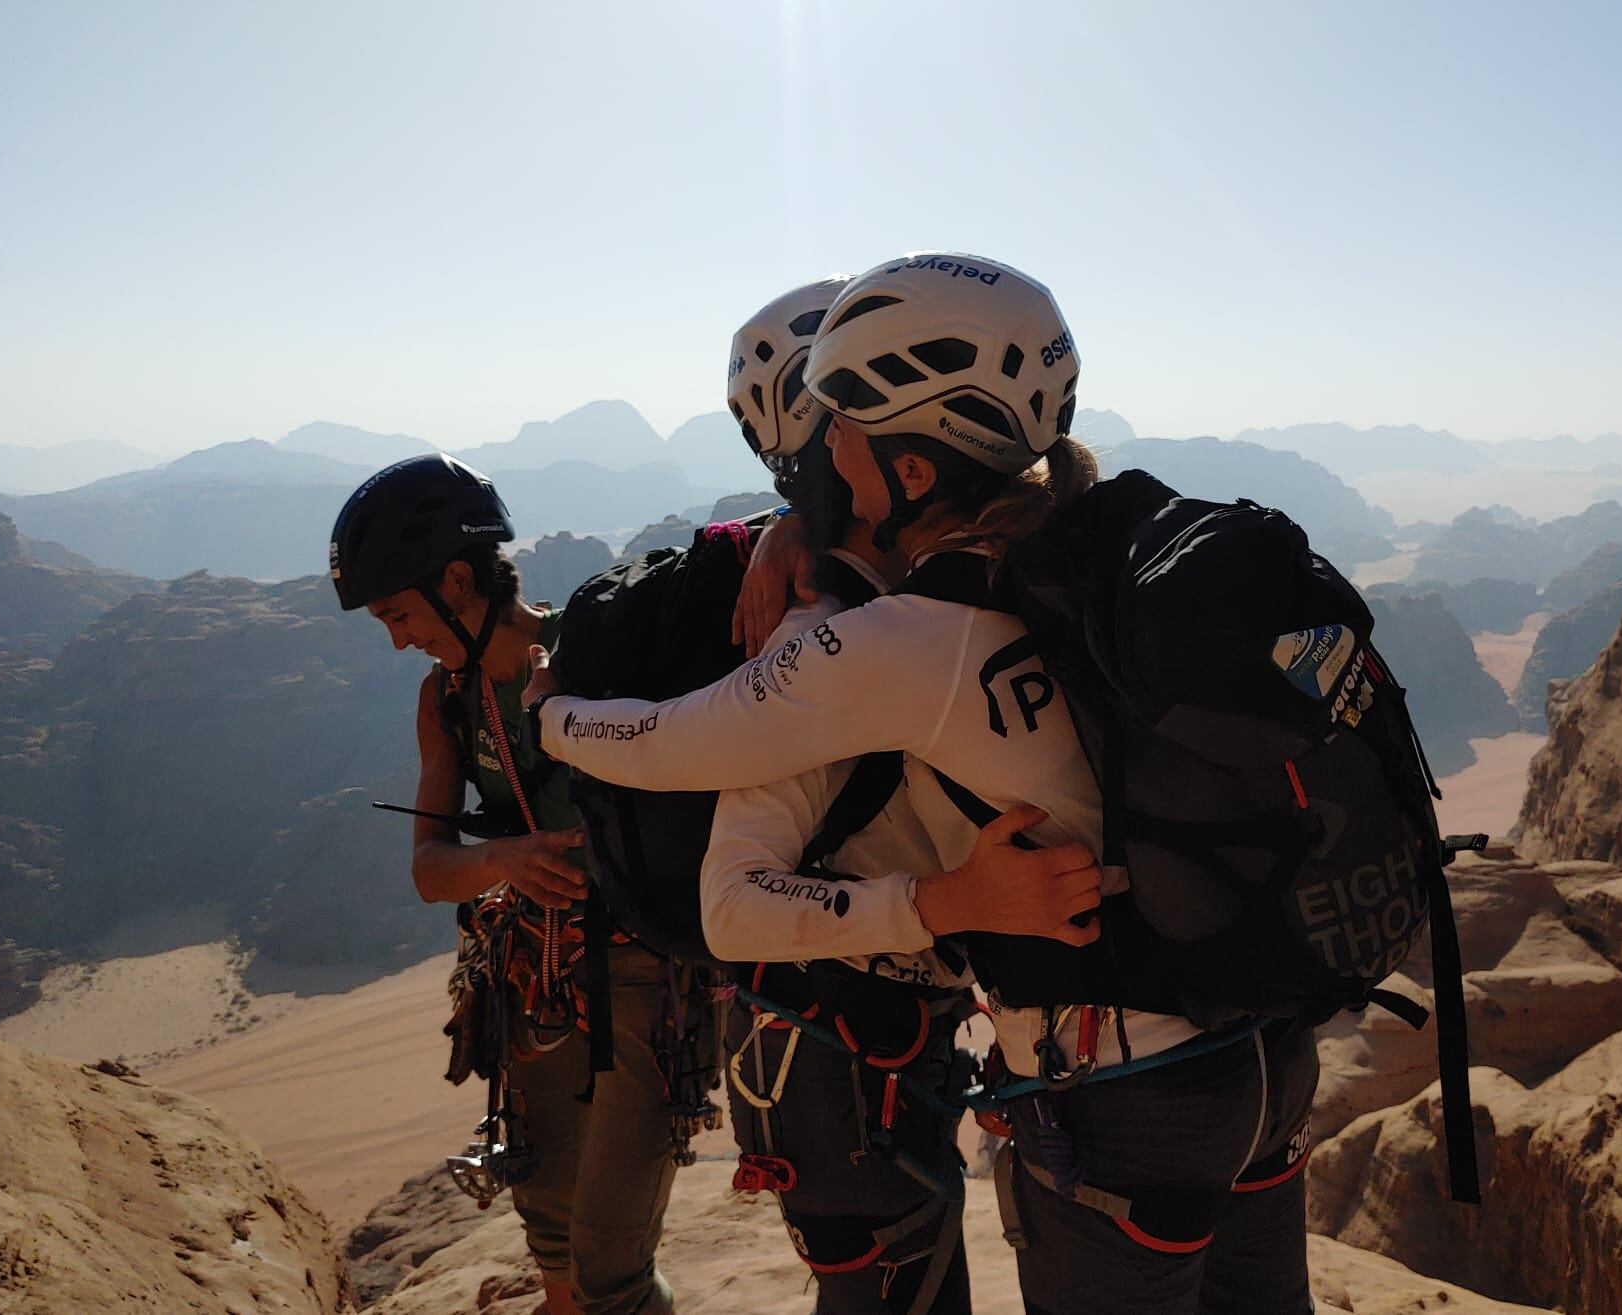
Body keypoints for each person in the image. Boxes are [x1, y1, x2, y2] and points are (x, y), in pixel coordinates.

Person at [521, 254, 1319, 1314]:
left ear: (906, 464)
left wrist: (549, 715)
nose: (827, 443)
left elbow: (682, 764)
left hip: (1126, 1087)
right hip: (1268, 1034)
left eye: (842, 420)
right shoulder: (1089, 541)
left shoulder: (890, 637)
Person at [329, 454, 682, 1315]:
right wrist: (506, 860)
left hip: (641, 982)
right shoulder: (444, 700)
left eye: (400, 613)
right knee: (555, 1245)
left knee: (611, 1268)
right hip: (534, 986)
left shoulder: (593, 649)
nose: (398, 637)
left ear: (459, 578)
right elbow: (429, 868)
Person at [709, 277, 978, 1312]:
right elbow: (732, 893)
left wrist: (789, 527)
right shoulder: (811, 616)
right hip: (836, 1033)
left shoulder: (890, 579)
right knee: (888, 1282)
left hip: (866, 1026)